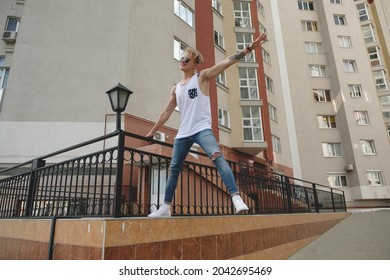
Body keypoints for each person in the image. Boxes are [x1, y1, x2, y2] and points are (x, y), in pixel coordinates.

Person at [146, 33, 268, 218]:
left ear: (195, 64)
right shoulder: (176, 88)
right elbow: (166, 113)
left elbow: (226, 62)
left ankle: (236, 198)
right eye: (182, 58)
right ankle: (165, 207)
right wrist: (152, 132)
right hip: (183, 133)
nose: (183, 60)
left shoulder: (202, 77)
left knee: (217, 157)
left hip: (202, 129)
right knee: (174, 168)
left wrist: (249, 48)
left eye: (187, 59)